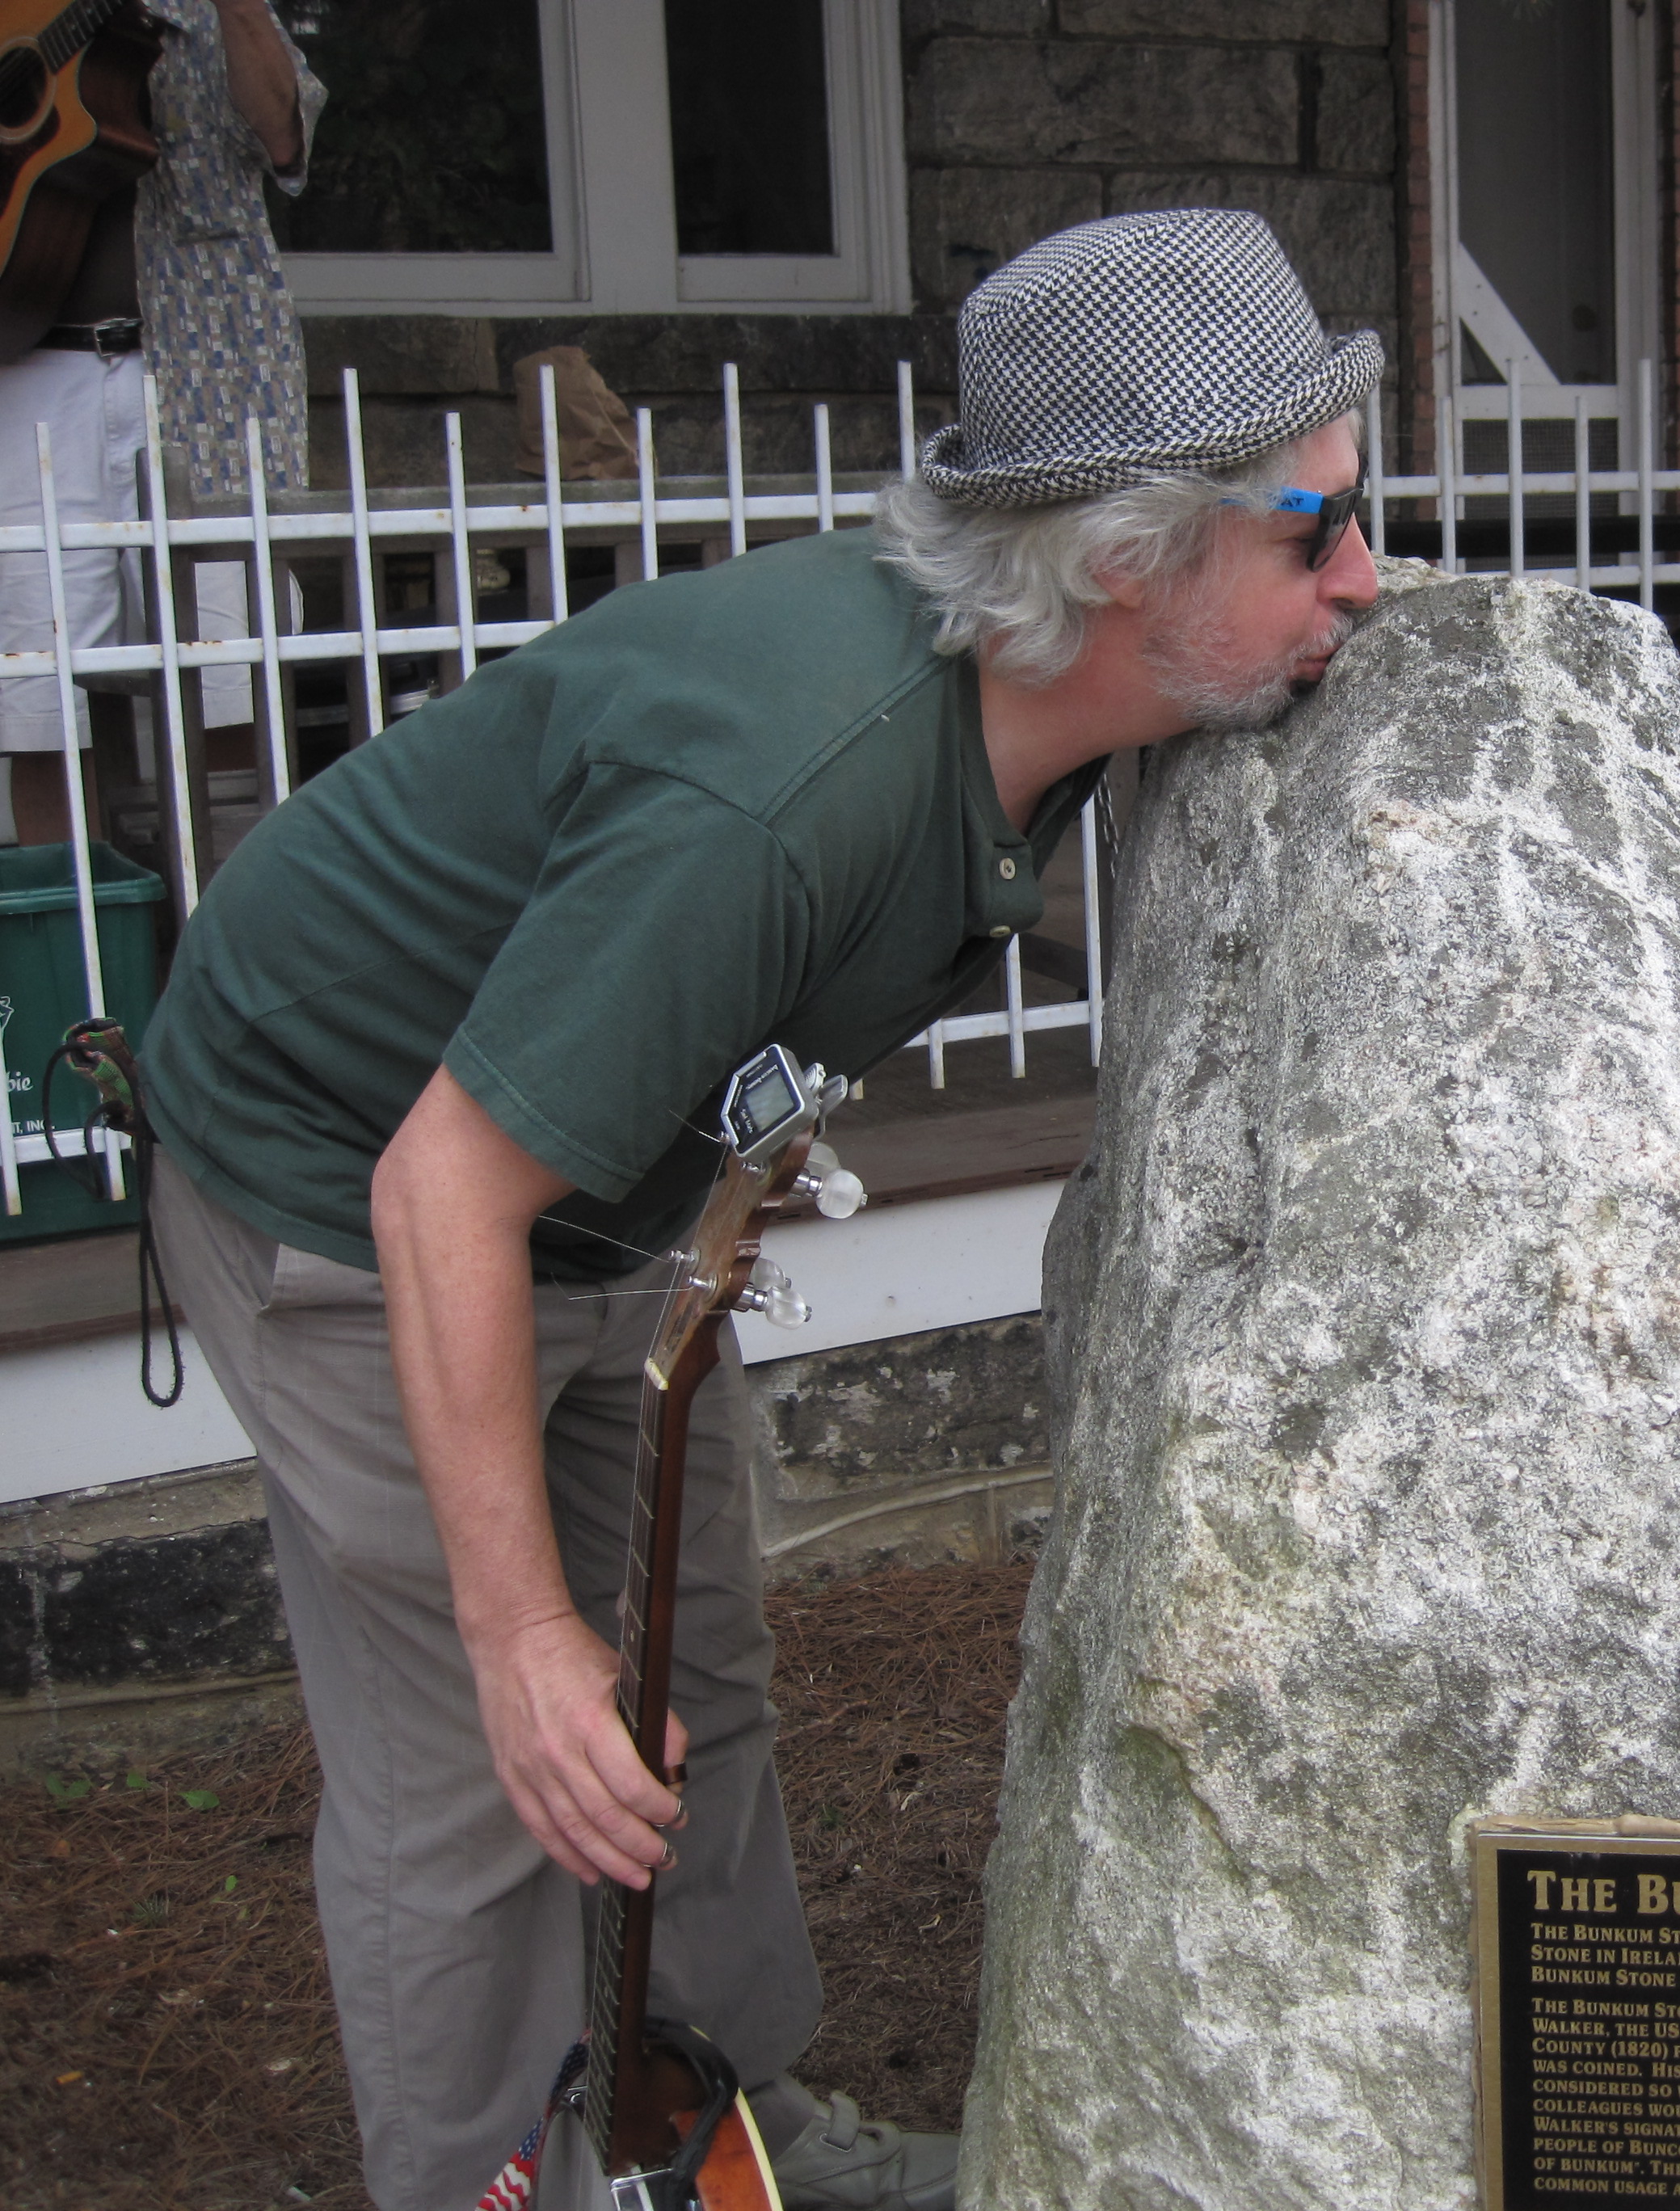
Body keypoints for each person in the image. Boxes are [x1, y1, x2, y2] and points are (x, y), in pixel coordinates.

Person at [137, 208, 1383, 2209]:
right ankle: (497, 2177)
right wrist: (527, 1626)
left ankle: (733, 2128)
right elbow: (438, 1182)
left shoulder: (1067, 706)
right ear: (1128, 560)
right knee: (492, 1756)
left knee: (687, 1674)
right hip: (344, 1173)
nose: (1364, 575)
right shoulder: (787, 798)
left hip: (603, 1191)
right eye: (1314, 523)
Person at [0, 0, 322, 845]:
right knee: (39, 700)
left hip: (203, 382)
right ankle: (73, 962)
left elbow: (286, 141)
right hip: (30, 371)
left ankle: (226, 944)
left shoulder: (211, 18)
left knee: (227, 684)